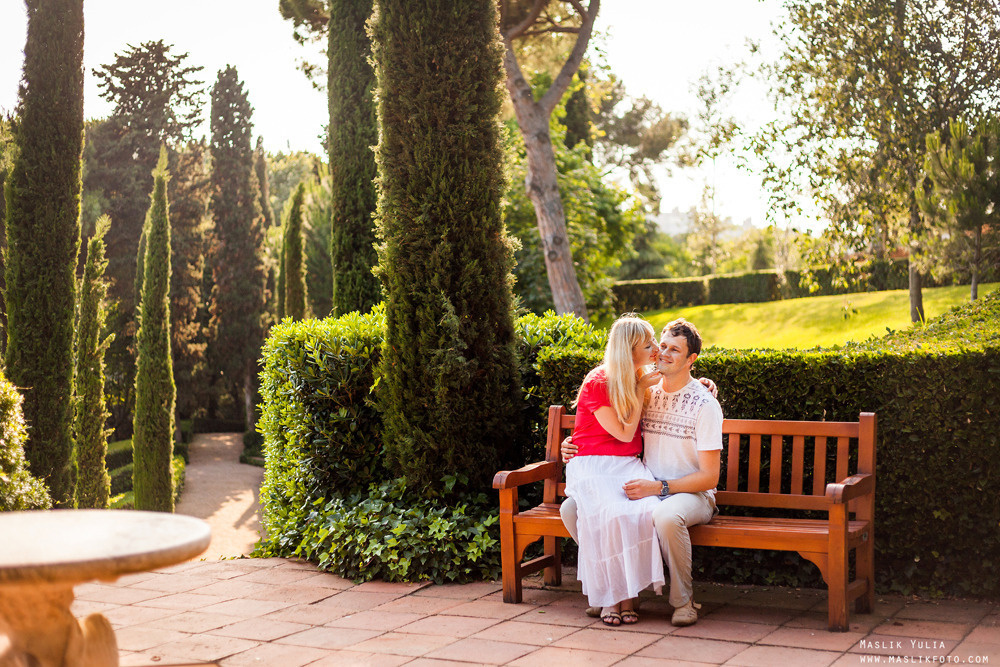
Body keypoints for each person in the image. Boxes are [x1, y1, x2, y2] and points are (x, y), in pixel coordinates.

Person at [561, 318, 723, 627]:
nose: (662, 354)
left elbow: (710, 478)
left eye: (674, 350)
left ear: (692, 359)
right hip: (640, 482)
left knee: (664, 516)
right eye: (661, 346)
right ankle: (611, 586)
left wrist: (658, 488)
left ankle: (683, 601)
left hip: (690, 493)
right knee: (572, 509)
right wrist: (571, 445)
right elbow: (604, 427)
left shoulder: (704, 403)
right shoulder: (648, 392)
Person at [563, 315, 666, 627]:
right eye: (647, 344)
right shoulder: (599, 382)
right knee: (608, 513)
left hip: (627, 464)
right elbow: (623, 433)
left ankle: (626, 594)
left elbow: (680, 381)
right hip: (594, 464)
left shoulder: (642, 377)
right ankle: (612, 599)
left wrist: (705, 383)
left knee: (645, 510)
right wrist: (637, 390)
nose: (655, 348)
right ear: (628, 350)